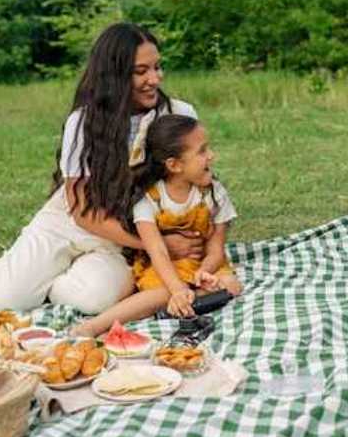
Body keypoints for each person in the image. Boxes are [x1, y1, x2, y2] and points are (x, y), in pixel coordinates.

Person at [0, 23, 206, 313]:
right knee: (5, 299)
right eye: (140, 71)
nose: (155, 79)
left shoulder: (179, 115)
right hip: (70, 222)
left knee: (90, 300)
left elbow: (195, 185)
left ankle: (42, 275)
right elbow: (82, 212)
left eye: (157, 67)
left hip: (124, 239)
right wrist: (159, 247)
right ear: (114, 76)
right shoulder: (83, 122)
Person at [70, 114, 242, 337]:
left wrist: (204, 272)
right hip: (164, 266)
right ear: (174, 165)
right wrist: (177, 288)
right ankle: (94, 326)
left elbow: (216, 249)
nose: (211, 156)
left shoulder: (213, 192)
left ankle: (180, 303)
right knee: (162, 293)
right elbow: (157, 251)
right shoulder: (149, 199)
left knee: (231, 285)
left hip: (201, 264)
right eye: (202, 151)